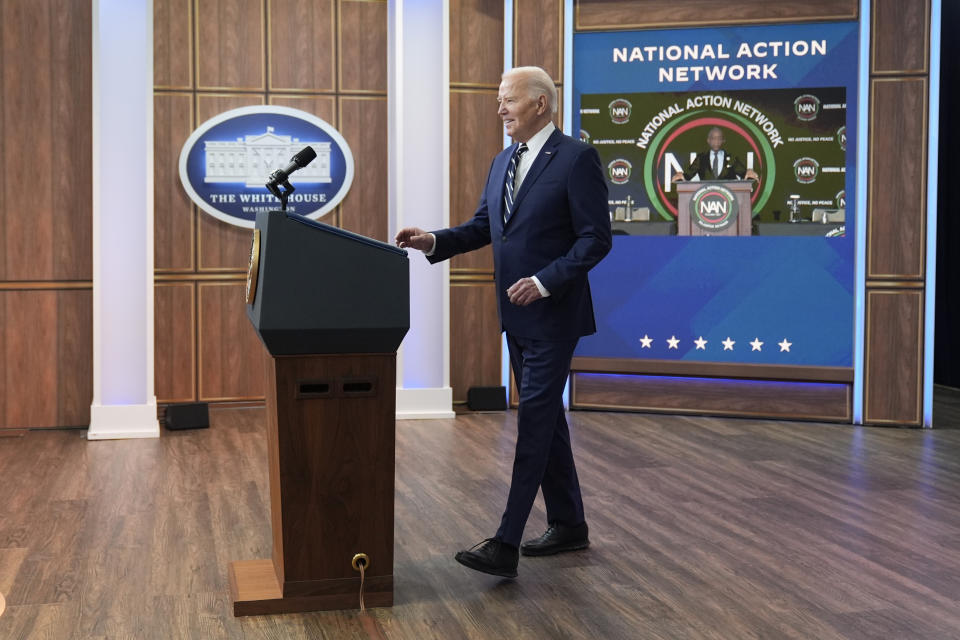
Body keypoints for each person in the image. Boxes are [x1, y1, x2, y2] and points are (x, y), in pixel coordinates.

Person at [395, 66, 612, 579]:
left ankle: (505, 543)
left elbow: (595, 239)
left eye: (508, 100)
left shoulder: (577, 158)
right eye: (498, 100)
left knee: (534, 423)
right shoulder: (502, 162)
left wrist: (544, 281)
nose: (500, 109)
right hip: (515, 317)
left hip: (554, 315)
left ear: (540, 103)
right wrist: (434, 242)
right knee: (547, 421)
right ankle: (569, 525)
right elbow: (482, 228)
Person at [672, 126, 759, 182]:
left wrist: (748, 173)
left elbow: (743, 173)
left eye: (719, 138)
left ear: (723, 140)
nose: (716, 141)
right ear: (708, 140)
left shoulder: (731, 158)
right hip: (706, 199)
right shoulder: (701, 158)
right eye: (713, 138)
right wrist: (681, 176)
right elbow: (688, 175)